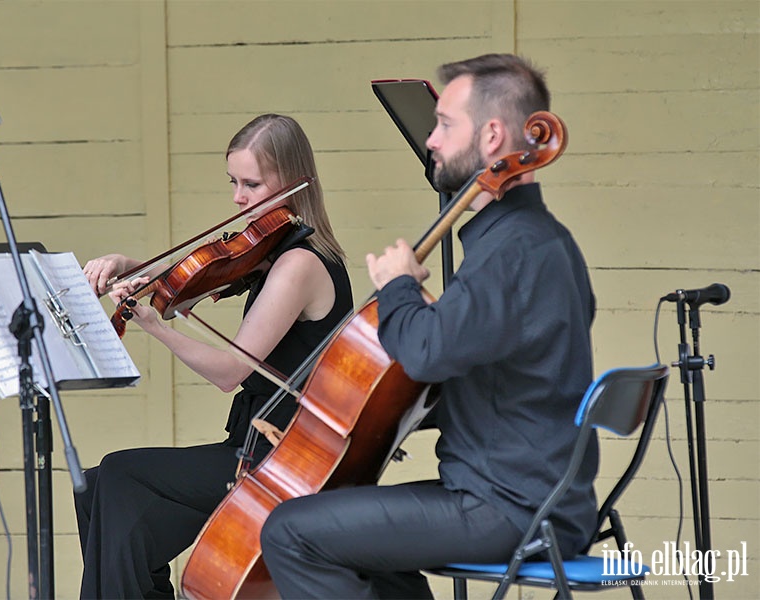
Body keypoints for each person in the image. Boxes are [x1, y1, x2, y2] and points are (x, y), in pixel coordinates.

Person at [260, 53, 598, 598]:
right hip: (531, 497)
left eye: (444, 125)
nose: (432, 142)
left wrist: (397, 284)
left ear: (492, 136)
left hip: (508, 507)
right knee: (355, 539)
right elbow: (485, 369)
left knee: (291, 532)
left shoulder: (513, 251)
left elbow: (423, 351)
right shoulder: (536, 241)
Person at [74, 114, 353, 599]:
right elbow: (188, 285)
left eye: (251, 183)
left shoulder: (299, 264)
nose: (238, 198)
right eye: (233, 182)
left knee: (120, 474)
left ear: (291, 180)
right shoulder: (270, 252)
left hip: (284, 460)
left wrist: (154, 327)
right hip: (251, 448)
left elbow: (231, 372)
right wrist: (129, 267)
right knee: (97, 489)